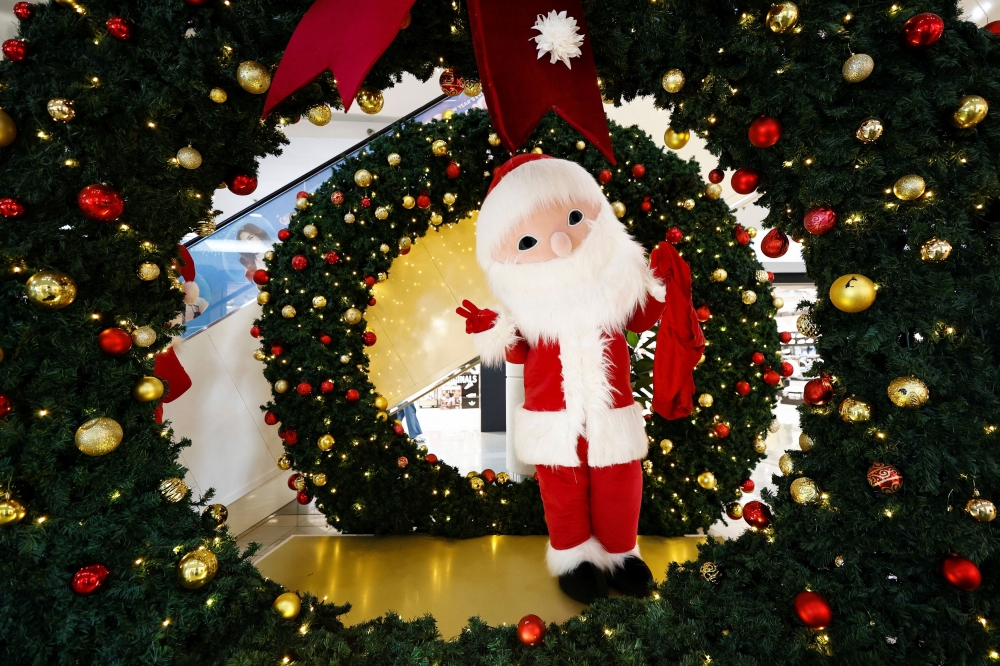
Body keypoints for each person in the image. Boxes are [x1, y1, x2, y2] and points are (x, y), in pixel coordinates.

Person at [457, 154, 690, 604]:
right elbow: (517, 350)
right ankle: (573, 557)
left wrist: (660, 285)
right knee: (562, 488)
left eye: (575, 219)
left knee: (620, 483)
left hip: (611, 412)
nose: (562, 243)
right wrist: (492, 330)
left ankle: (621, 553)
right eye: (529, 241)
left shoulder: (616, 282)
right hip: (552, 417)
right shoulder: (524, 303)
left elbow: (641, 316)